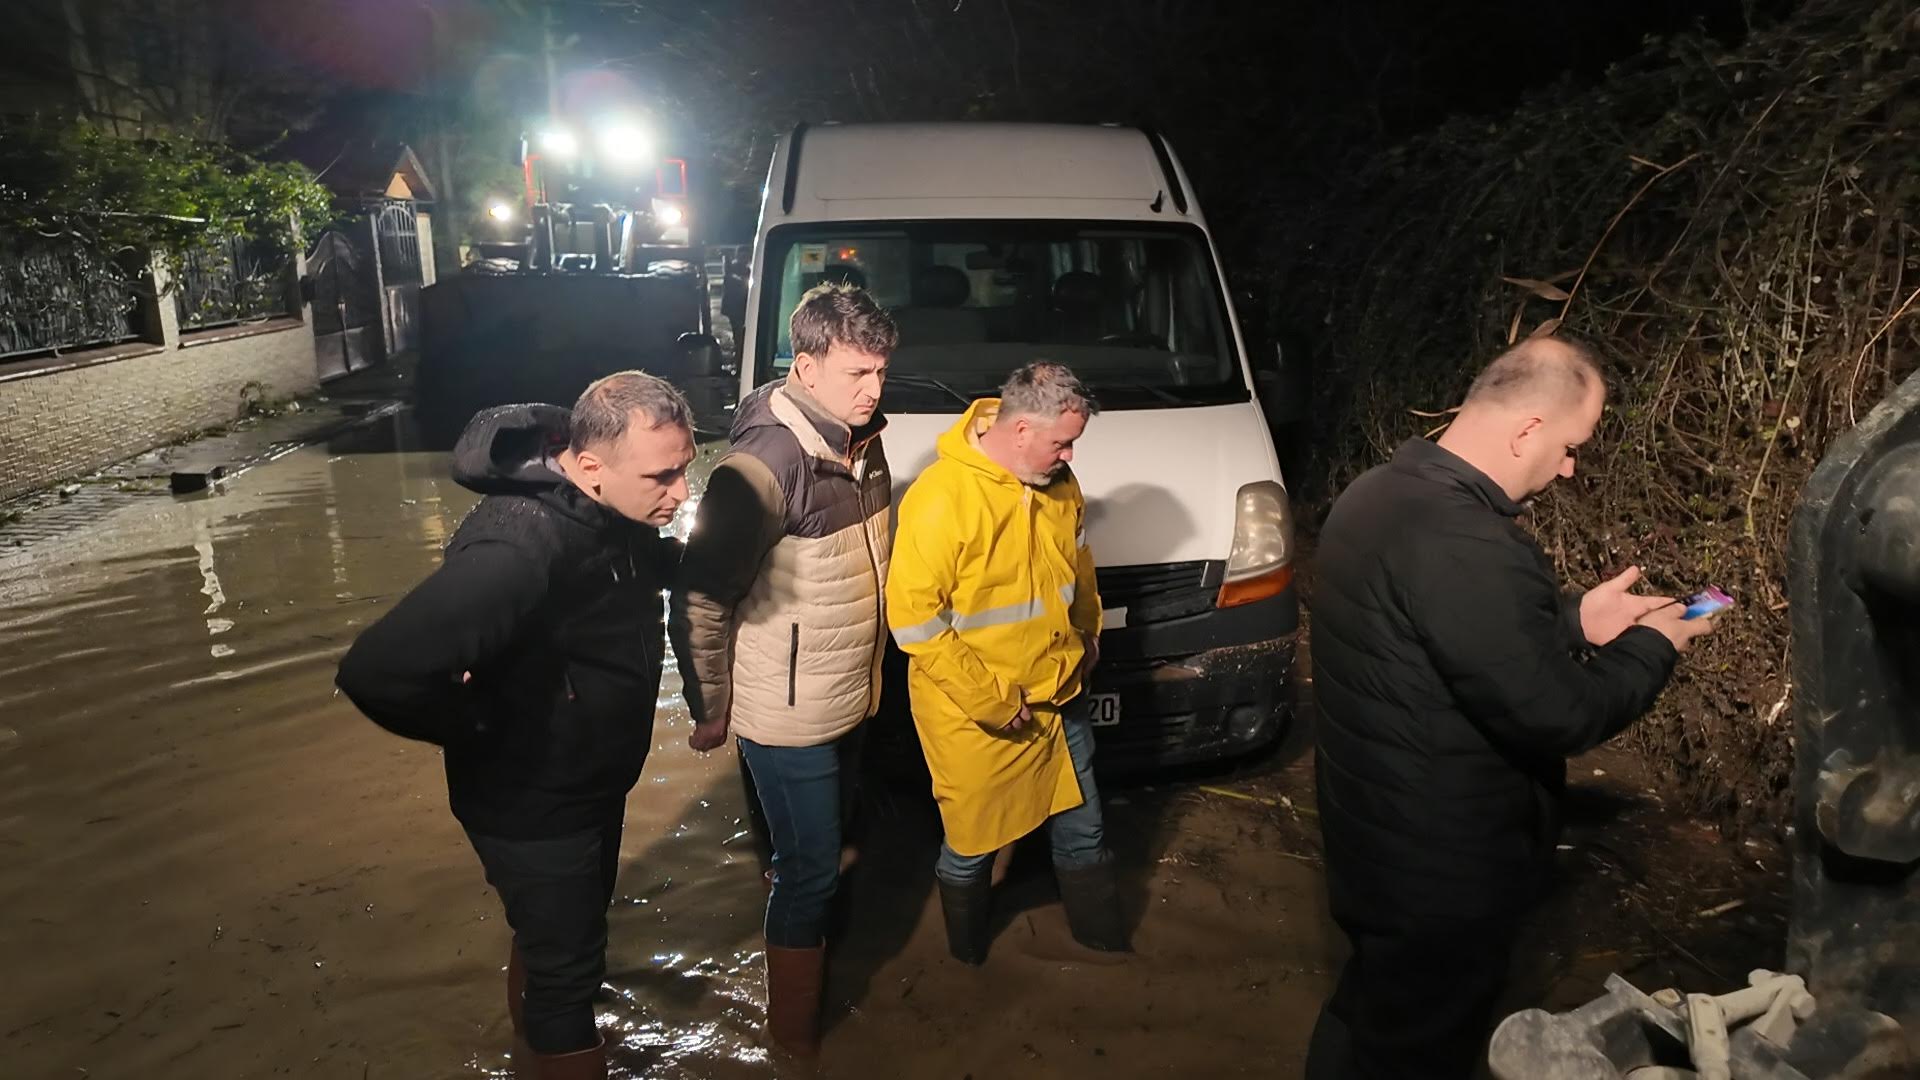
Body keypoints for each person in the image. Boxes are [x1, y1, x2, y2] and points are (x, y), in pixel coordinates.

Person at [1302, 337, 1718, 1080]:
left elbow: (1448, 634)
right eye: (1569, 447)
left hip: (1371, 841)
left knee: (1371, 1013)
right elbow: (1561, 714)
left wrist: (1574, 620)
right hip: (1440, 871)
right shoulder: (1469, 542)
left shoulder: (1378, 496)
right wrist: (1655, 644)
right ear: (1528, 429)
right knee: (1417, 1049)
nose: (1569, 467)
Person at [335, 372, 695, 1080]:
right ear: (589, 465)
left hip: (585, 780)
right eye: (663, 477)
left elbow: (632, 566)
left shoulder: (608, 507)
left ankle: (527, 1059)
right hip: (532, 797)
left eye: (686, 468)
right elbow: (377, 670)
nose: (682, 493)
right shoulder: (517, 545)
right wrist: (486, 728)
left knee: (556, 944)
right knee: (569, 979)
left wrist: (719, 560)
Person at [669, 282, 897, 1057]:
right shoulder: (763, 466)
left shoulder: (861, 441)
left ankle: (801, 949)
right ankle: (793, 1043)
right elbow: (700, 595)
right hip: (789, 711)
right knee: (812, 872)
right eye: (856, 374)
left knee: (818, 851)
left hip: (851, 691)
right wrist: (711, 707)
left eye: (880, 372)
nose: (873, 390)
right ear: (805, 366)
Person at [886, 361, 1128, 965]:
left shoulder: (1060, 485)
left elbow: (1079, 568)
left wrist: (1089, 635)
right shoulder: (940, 498)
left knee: (1085, 828)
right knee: (972, 845)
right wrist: (990, 699)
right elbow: (914, 622)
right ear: (1021, 430)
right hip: (976, 715)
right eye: (1062, 443)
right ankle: (967, 959)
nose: (1069, 456)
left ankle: (1104, 946)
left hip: (1061, 693)